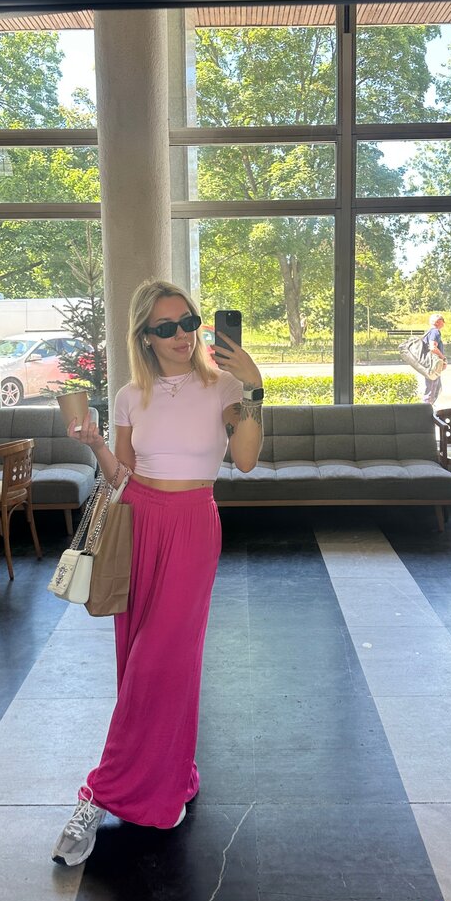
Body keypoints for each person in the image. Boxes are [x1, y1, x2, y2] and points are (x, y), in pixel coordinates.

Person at [52, 278, 264, 867]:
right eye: (166, 327)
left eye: (188, 321)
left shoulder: (224, 387)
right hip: (139, 523)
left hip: (192, 525)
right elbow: (122, 477)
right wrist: (95, 443)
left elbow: (246, 460)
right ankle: (169, 774)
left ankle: (98, 794)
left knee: (160, 660)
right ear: (145, 336)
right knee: (139, 660)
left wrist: (254, 386)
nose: (181, 335)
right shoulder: (129, 395)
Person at [421, 313, 447, 406]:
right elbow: (433, 347)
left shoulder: (429, 332)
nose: (444, 323)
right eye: (443, 320)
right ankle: (426, 408)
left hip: (428, 364)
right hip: (433, 365)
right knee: (432, 389)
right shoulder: (435, 332)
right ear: (438, 322)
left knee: (436, 387)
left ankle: (429, 407)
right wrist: (443, 358)